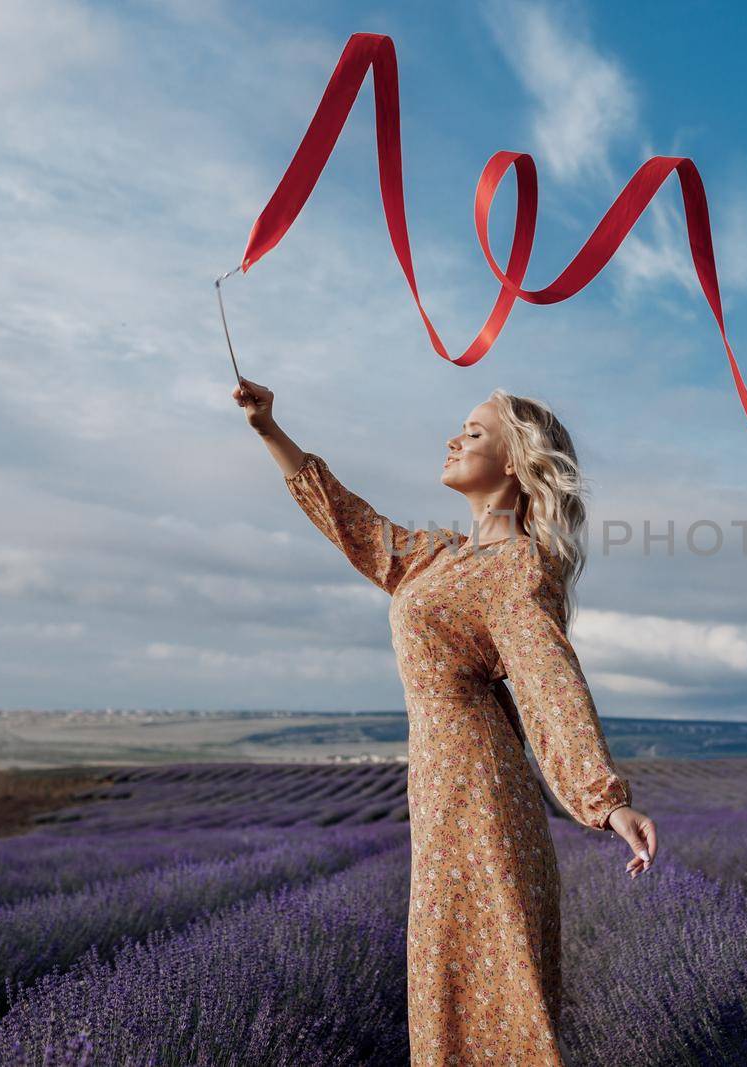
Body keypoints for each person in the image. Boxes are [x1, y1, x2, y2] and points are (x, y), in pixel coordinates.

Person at [235, 376, 657, 1065]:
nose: (454, 438)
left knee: (491, 998)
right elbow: (349, 521)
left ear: (517, 463)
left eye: (475, 431)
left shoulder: (518, 567)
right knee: (452, 994)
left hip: (480, 805)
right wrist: (268, 429)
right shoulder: (437, 556)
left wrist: (606, 803)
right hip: (443, 802)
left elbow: (553, 685)